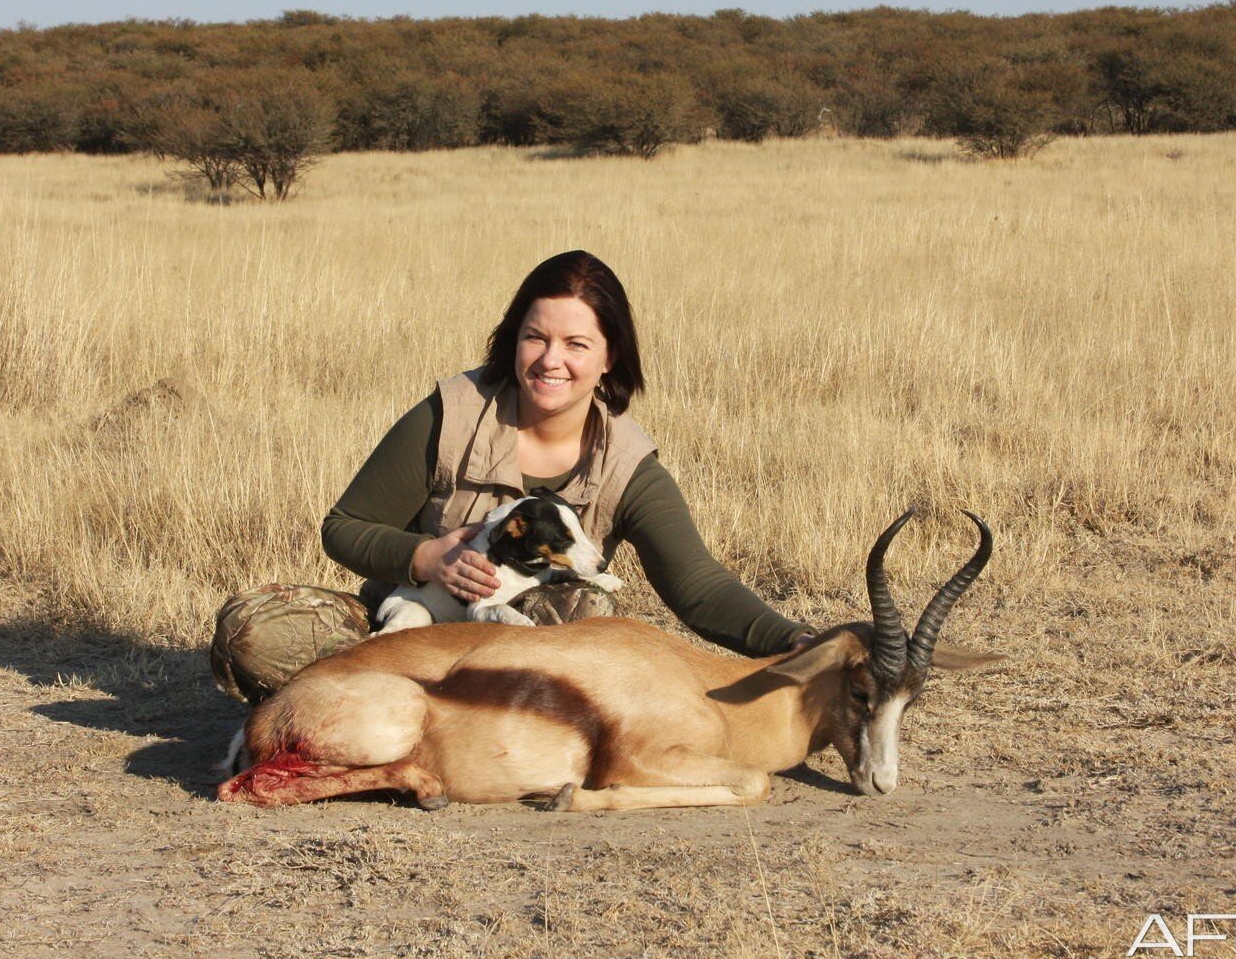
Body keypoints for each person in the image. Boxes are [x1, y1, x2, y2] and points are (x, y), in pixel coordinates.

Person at [211, 250, 812, 701]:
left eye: (577, 343)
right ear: (513, 341)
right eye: (535, 337)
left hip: (523, 652)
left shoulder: (628, 465)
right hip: (406, 629)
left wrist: (797, 644)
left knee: (585, 617)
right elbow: (344, 527)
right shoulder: (448, 414)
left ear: (610, 359)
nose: (552, 360)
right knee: (252, 634)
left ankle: (390, 711)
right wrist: (427, 559)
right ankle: (400, 700)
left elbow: (699, 587)